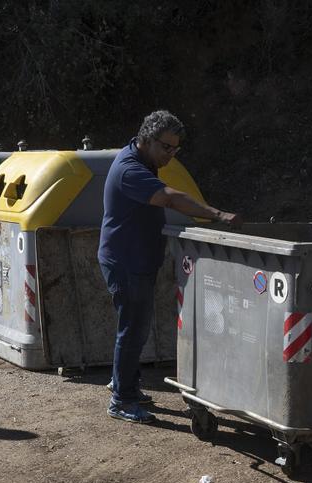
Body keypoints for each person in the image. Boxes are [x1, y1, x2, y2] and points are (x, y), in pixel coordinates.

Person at [98, 110, 239, 423]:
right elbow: (170, 198)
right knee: (132, 330)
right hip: (126, 261)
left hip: (135, 258)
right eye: (166, 147)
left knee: (134, 327)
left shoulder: (142, 159)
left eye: (176, 149)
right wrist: (216, 214)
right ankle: (121, 399)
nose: (171, 155)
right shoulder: (130, 169)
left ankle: (125, 384)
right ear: (146, 139)